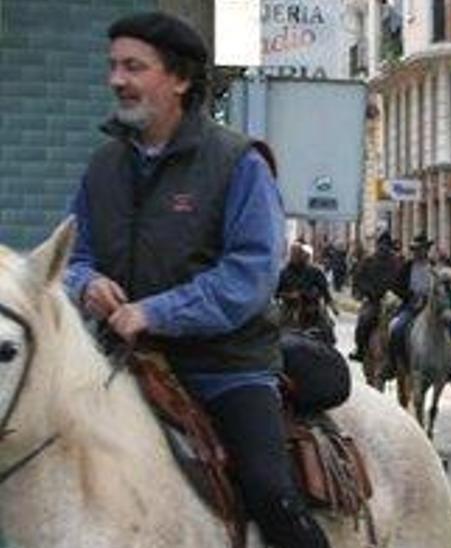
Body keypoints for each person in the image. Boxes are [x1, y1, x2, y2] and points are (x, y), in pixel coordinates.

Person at [62, 12, 328, 547]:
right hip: (121, 363)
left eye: (134, 67)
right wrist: (85, 284)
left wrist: (154, 312)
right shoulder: (102, 168)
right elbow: (72, 257)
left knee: (268, 487)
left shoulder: (239, 163)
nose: (117, 79)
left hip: (226, 368)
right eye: (113, 66)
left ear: (180, 79)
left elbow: (250, 276)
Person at [388, 234, 451, 382]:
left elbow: (446, 288)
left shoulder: (435, 268)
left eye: (423, 249)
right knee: (397, 329)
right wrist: (411, 296)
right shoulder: (407, 267)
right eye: (416, 250)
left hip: (434, 309)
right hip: (411, 308)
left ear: (427, 250)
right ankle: (394, 364)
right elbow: (396, 287)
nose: (419, 253)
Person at [349, 231, 402, 361]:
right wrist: (365, 292)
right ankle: (360, 349)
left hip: (394, 302)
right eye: (381, 245)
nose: (383, 248)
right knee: (364, 321)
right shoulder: (368, 261)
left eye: (386, 245)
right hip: (374, 301)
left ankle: (403, 357)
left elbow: (402, 281)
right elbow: (359, 279)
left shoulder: (397, 263)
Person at [277, 241, 338, 342]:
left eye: (297, 253)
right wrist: (288, 295)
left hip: (311, 307)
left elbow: (324, 290)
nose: (295, 256)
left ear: (302, 254)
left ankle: (329, 344)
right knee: (274, 326)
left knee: (326, 326)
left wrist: (332, 305)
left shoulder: (314, 272)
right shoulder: (283, 273)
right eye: (293, 254)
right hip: (290, 307)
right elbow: (276, 293)